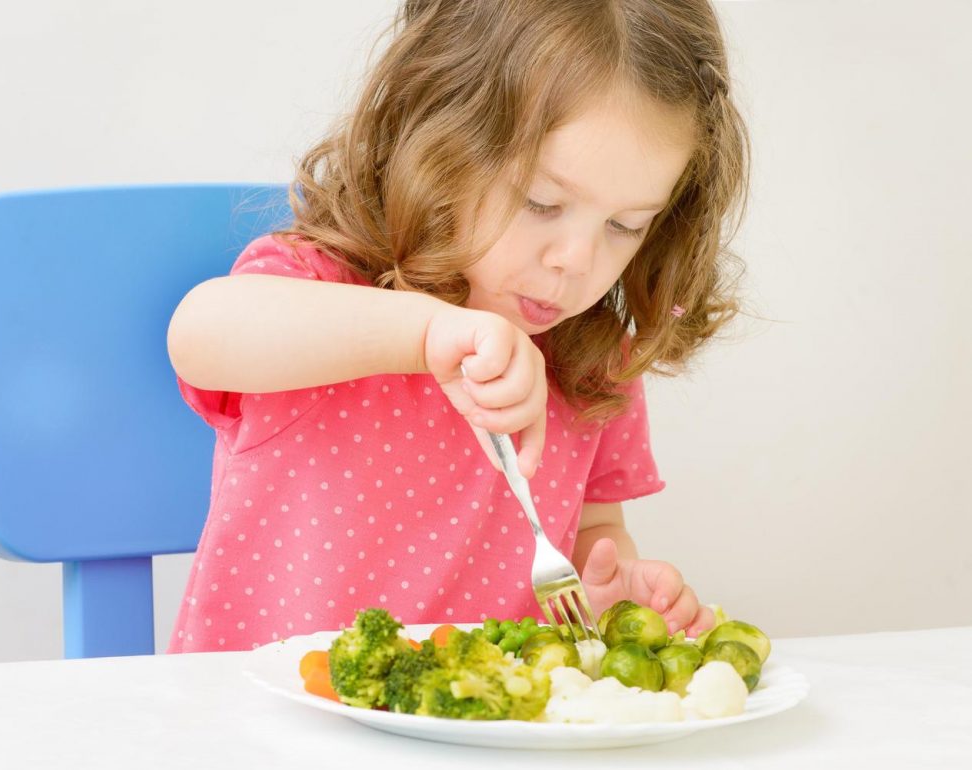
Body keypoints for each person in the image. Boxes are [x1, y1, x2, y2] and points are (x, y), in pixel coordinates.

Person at [166, 0, 749, 653]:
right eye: (542, 202)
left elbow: (593, 533)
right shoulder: (321, 287)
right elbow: (201, 335)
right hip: (257, 727)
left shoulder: (590, 357)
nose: (577, 261)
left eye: (625, 225)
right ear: (441, 140)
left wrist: (608, 590)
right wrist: (425, 335)